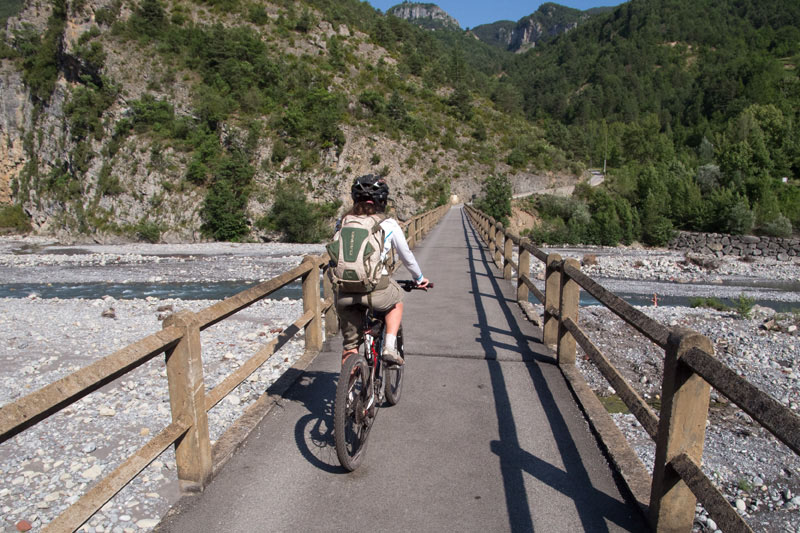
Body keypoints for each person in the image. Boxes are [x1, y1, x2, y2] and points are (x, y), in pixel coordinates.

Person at [333, 175, 429, 366]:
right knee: (397, 300)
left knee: (350, 345)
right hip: (376, 289)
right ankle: (389, 347)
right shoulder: (389, 224)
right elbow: (406, 256)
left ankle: (347, 392)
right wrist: (418, 278)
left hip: (344, 291)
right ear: (383, 201)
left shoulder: (343, 222)